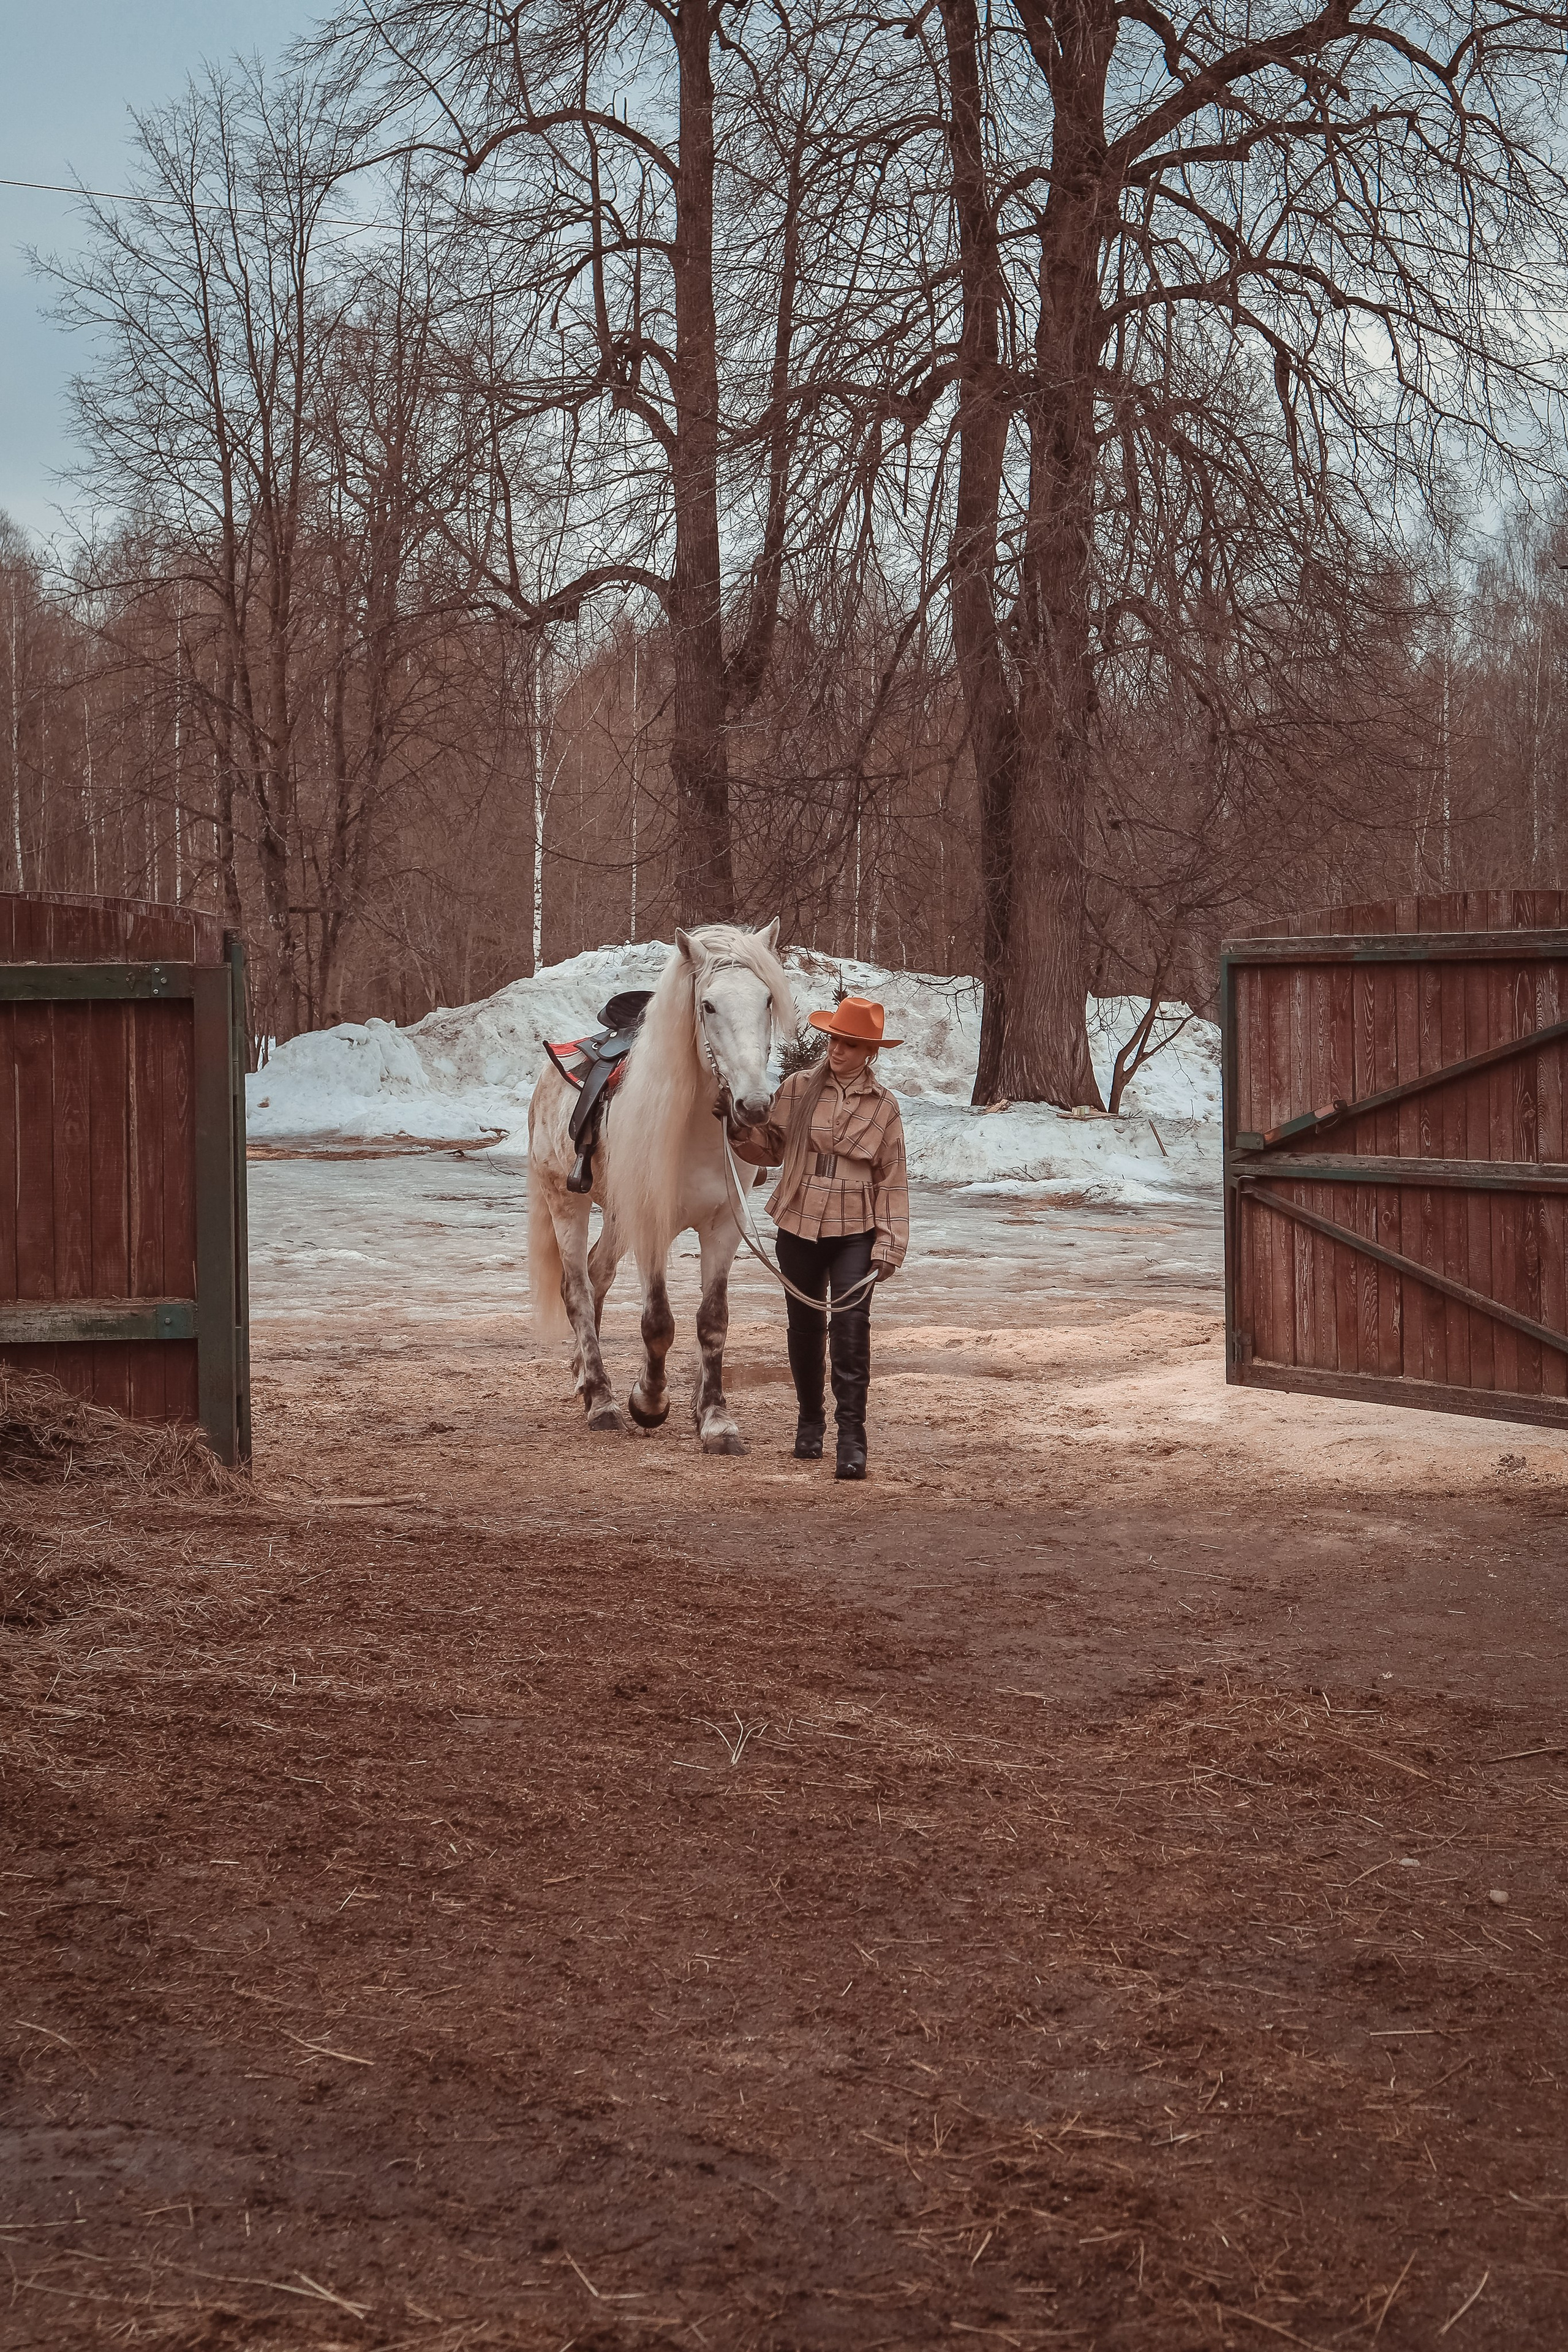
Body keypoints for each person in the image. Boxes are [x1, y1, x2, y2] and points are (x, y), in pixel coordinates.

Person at [728, 995, 908, 1481]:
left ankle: (853, 1438)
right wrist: (734, 1123)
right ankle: (810, 1422)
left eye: (849, 1044)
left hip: (857, 1231)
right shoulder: (798, 1088)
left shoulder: (885, 1106)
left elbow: (892, 1177)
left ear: (869, 1051)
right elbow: (769, 1149)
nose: (838, 1050)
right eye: (834, 1039)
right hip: (798, 1224)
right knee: (805, 1331)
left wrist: (890, 1243)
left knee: (851, 1334)